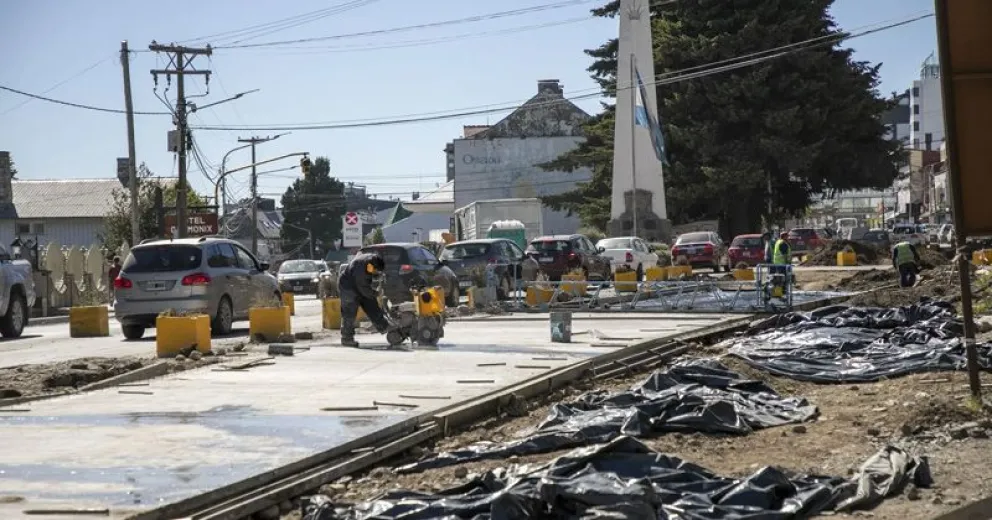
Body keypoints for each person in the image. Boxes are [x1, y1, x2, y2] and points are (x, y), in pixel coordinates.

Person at [337, 252, 391, 347]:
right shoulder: (362, 268)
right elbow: (364, 288)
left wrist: (377, 276)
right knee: (349, 313)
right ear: (372, 266)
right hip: (348, 287)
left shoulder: (371, 261)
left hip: (359, 284)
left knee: (372, 305)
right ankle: (347, 338)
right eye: (376, 271)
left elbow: (366, 282)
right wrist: (376, 293)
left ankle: (384, 327)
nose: (376, 272)